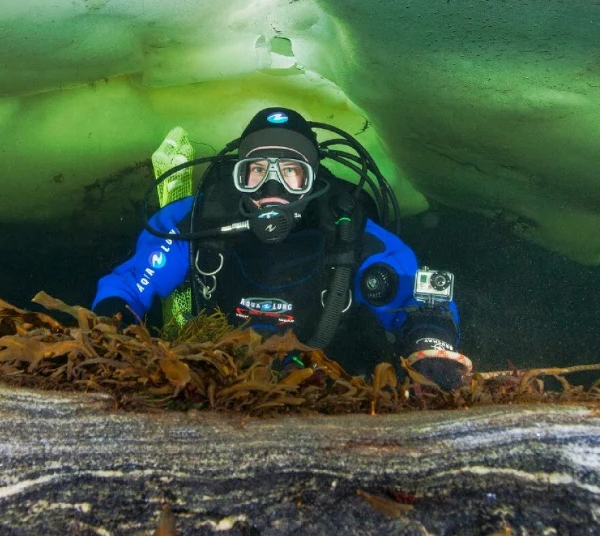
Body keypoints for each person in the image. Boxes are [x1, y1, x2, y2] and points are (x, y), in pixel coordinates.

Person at [93, 107, 472, 390]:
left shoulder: (349, 233)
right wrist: (114, 327)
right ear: (238, 174)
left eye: (291, 172)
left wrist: (428, 343)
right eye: (256, 170)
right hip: (212, 382)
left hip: (326, 386)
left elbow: (415, 301)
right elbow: (129, 283)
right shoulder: (195, 222)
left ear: (312, 181)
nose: (271, 188)